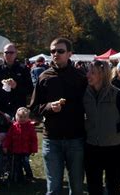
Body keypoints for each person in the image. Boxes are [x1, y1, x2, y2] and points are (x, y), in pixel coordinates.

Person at [29, 37, 88, 195]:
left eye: (60, 51)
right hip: (52, 139)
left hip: (75, 138)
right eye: (53, 51)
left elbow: (91, 104)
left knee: (76, 188)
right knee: (53, 188)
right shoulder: (44, 77)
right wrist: (48, 107)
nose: (56, 54)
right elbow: (33, 108)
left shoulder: (80, 77)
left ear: (70, 54)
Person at [83, 60, 120, 195]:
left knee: (113, 188)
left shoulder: (116, 93)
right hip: (92, 148)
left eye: (92, 73)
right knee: (94, 188)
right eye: (88, 72)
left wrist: (111, 130)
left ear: (102, 75)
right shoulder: (84, 93)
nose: (88, 75)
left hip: (114, 149)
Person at [0, 43, 33, 117]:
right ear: (3, 54)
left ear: (16, 54)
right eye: (6, 52)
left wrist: (16, 86)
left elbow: (30, 89)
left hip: (18, 110)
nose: (8, 55)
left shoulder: (23, 69)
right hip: (1, 108)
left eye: (11, 52)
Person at [3, 107, 38, 183]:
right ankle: (19, 176)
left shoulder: (30, 127)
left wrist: (34, 149)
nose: (22, 119)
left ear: (28, 117)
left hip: (26, 150)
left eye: (24, 117)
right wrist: (5, 146)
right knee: (17, 164)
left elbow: (34, 139)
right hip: (15, 150)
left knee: (25, 163)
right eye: (20, 117)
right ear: (16, 117)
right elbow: (8, 137)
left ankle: (29, 176)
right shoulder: (13, 126)